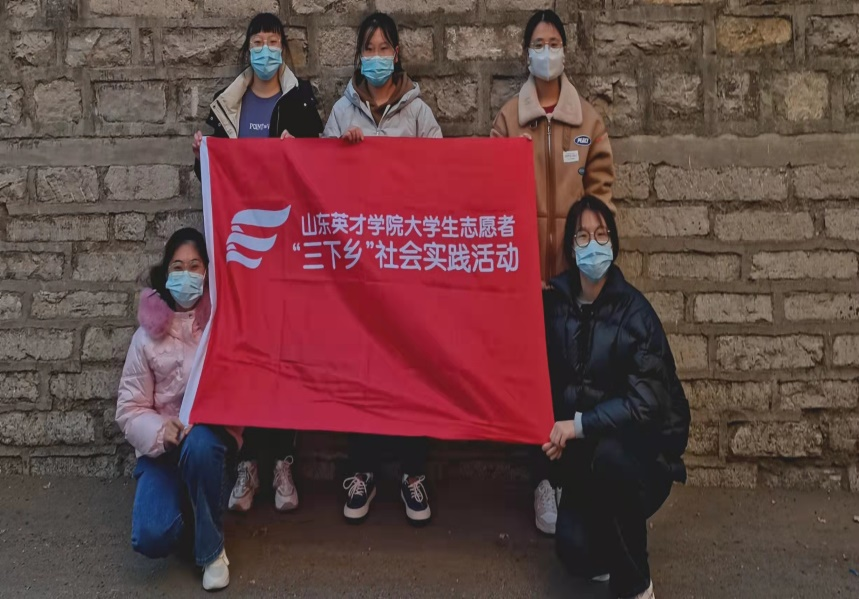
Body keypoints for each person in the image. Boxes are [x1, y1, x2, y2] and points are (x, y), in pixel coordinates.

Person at [491, 8, 616, 535]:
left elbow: (601, 195)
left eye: (553, 42)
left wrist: (587, 255)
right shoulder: (508, 120)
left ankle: (571, 480)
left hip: (573, 281)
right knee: (533, 385)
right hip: (525, 282)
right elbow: (492, 195)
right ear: (527, 54)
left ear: (565, 50)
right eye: (538, 43)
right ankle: (543, 481)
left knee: (572, 382)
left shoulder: (587, 122)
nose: (547, 51)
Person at [190, 12, 317, 512]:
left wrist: (300, 151)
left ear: (284, 47)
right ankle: (247, 465)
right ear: (247, 50)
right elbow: (213, 180)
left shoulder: (301, 101)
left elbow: (323, 169)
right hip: (240, 258)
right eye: (257, 42)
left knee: (283, 358)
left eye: (273, 41)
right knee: (243, 356)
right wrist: (201, 155)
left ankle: (283, 461)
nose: (265, 49)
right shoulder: (228, 105)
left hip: (285, 253)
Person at [322, 12, 441, 525]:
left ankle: (413, 472)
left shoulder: (418, 113)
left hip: (407, 266)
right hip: (357, 272)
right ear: (358, 56)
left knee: (412, 367)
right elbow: (318, 179)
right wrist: (342, 154)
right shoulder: (340, 111)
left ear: (397, 54)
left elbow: (444, 176)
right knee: (361, 369)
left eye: (383, 48)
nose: (376, 57)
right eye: (368, 49)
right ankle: (363, 470)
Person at [541, 197, 690, 599]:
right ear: (571, 247)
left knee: (611, 458)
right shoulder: (557, 307)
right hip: (587, 455)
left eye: (602, 234)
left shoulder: (636, 314)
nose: (593, 244)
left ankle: (637, 585)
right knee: (574, 551)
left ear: (613, 242)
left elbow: (646, 405)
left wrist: (577, 426)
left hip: (642, 456)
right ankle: (612, 541)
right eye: (583, 236)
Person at [116, 228, 243, 591]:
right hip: (162, 454)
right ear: (166, 272)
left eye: (195, 266)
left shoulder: (222, 327)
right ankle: (194, 508)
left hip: (207, 448)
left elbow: (241, 392)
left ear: (207, 272)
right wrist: (161, 430)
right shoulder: (146, 337)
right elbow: (129, 408)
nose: (186, 275)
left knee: (200, 443)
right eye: (178, 267)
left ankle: (211, 551)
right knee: (151, 536)